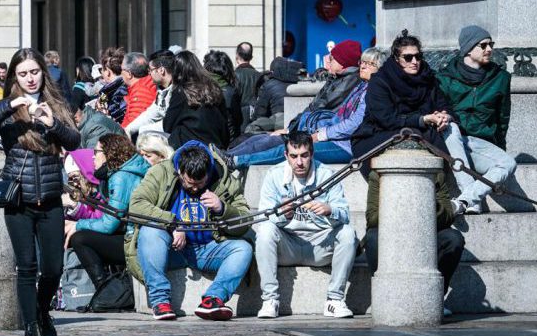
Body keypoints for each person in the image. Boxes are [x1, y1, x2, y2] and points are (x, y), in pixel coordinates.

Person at [0, 48, 80, 336]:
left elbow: (74, 142)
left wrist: (52, 124)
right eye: (23, 74)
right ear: (14, 78)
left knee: (53, 268)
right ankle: (30, 333)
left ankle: (43, 312)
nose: (30, 79)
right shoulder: (9, 108)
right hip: (18, 198)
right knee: (26, 267)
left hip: (49, 197)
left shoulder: (56, 103)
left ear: (42, 73)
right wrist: (10, 105)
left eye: (34, 72)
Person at [127, 140, 253, 320]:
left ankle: (213, 299)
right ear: (179, 171)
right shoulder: (160, 172)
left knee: (243, 249)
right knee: (150, 231)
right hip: (170, 249)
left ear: (208, 173)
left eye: (200, 183)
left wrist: (223, 208)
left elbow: (245, 221)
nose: (195, 188)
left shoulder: (223, 178)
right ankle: (160, 301)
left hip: (207, 248)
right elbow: (136, 205)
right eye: (189, 183)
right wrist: (173, 223)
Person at [254, 131, 357, 319]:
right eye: (294, 156)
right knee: (266, 231)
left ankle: (334, 300)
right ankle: (270, 300)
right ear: (286, 156)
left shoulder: (326, 174)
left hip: (320, 245)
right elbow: (265, 216)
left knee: (348, 233)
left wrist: (329, 210)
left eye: (304, 155)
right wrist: (283, 215)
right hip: (288, 245)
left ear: (312, 154)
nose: (299, 162)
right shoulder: (274, 175)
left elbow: (344, 215)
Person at [232, 48, 384, 166]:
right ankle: (228, 156)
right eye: (363, 62)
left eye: (370, 64)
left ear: (380, 68)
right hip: (327, 134)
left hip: (345, 145)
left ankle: (236, 161)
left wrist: (321, 134)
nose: (363, 66)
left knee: (293, 149)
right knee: (261, 138)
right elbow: (336, 116)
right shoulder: (362, 87)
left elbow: (353, 123)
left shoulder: (370, 91)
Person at [352, 30, 455, 176]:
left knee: (442, 131)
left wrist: (445, 116)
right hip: (377, 134)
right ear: (396, 59)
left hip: (423, 131)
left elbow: (444, 105)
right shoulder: (381, 81)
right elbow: (386, 118)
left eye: (418, 57)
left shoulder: (428, 78)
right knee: (415, 134)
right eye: (408, 57)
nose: (414, 62)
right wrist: (423, 119)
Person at [437, 25, 516, 215]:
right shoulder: (444, 78)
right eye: (483, 45)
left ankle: (466, 199)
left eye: (491, 44)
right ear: (468, 48)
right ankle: (470, 198)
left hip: (480, 143)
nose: (489, 49)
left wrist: (499, 147)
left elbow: (502, 117)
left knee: (508, 163)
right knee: (450, 126)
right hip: (452, 141)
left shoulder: (501, 78)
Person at [363, 171, 464, 317]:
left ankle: (435, 297)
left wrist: (427, 202)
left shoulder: (436, 174)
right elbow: (372, 218)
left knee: (453, 238)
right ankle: (384, 296)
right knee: (372, 237)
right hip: (393, 230)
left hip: (426, 230)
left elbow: (448, 216)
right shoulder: (379, 174)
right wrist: (397, 202)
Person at [66, 134, 149, 287]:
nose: (93, 157)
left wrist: (77, 225)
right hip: (133, 233)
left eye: (96, 152)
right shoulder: (122, 173)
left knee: (80, 239)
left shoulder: (121, 177)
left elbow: (109, 224)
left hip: (134, 239)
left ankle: (106, 290)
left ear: (109, 153)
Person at [162, 50, 230, 150]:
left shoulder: (181, 91)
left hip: (190, 148)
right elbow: (224, 120)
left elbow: (168, 125)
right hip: (215, 144)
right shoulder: (214, 87)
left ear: (176, 72)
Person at [302, 39, 363, 114]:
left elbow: (321, 105)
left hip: (324, 122)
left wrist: (330, 80)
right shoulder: (341, 77)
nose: (329, 62)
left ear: (342, 62)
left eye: (332, 59)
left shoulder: (350, 80)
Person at [125, 49, 175, 137]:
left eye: (151, 70)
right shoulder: (162, 91)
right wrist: (128, 129)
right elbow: (151, 114)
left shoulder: (177, 91)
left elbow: (169, 124)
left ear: (161, 70)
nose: (149, 74)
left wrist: (143, 130)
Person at [247, 57, 303, 134]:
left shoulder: (269, 85)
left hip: (276, 127)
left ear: (273, 71)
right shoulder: (298, 83)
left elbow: (260, 113)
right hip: (297, 125)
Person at [203, 50, 244, 142]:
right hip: (227, 141)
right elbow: (237, 119)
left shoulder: (198, 89)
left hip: (203, 140)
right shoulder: (231, 92)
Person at [119, 52, 157, 129]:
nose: (120, 73)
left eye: (121, 69)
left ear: (129, 74)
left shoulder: (141, 90)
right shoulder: (142, 85)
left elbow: (132, 124)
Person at [96, 47, 128, 123]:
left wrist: (103, 112)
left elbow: (116, 120)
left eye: (101, 70)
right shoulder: (107, 91)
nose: (101, 73)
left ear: (108, 71)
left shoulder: (120, 91)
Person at [235, 42, 261, 129]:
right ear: (251, 57)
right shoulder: (259, 75)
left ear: (237, 56)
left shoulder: (234, 75)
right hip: (255, 119)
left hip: (239, 120)